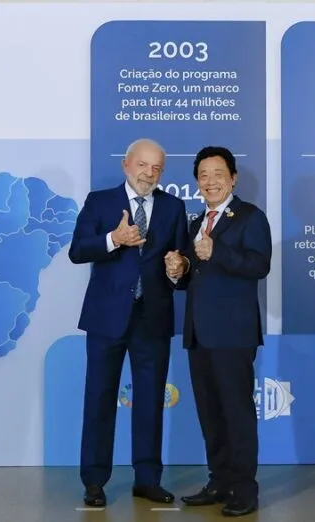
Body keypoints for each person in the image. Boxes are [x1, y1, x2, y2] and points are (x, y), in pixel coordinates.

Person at [68, 138, 191, 507]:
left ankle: (148, 479)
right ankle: (94, 481)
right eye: (142, 165)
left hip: (152, 319)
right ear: (126, 165)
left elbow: (182, 267)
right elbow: (77, 250)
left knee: (151, 401)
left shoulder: (173, 206)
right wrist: (113, 239)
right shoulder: (99, 201)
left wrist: (179, 268)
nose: (149, 173)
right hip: (106, 318)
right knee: (100, 399)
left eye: (156, 168)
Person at [164, 146, 271, 517]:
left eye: (217, 174)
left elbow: (260, 265)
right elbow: (196, 277)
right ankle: (219, 480)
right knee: (210, 413)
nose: (210, 181)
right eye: (203, 176)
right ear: (197, 182)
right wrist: (178, 271)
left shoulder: (250, 217)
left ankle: (244, 489)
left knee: (237, 414)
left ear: (233, 178)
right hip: (198, 333)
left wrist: (217, 252)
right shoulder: (196, 223)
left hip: (233, 334)